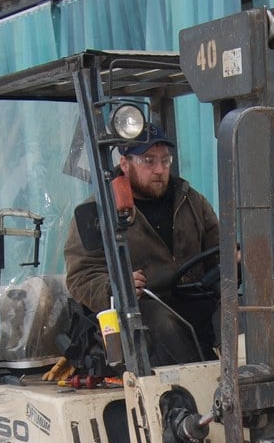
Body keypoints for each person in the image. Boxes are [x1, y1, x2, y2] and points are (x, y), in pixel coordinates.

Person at [64, 122, 220, 363]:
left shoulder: (191, 201)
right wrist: (116, 286)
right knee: (162, 322)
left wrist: (236, 259)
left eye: (165, 161)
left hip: (194, 299)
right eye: (148, 160)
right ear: (125, 164)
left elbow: (217, 250)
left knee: (238, 312)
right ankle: (203, 389)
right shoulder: (99, 211)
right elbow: (81, 276)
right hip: (139, 308)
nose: (159, 169)